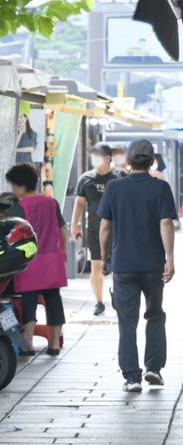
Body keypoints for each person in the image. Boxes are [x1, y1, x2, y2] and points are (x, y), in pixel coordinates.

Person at [98, 139, 177, 393]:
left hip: (124, 265)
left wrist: (104, 256)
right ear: (152, 160)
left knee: (127, 321)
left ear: (128, 161)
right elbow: (166, 224)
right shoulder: (161, 188)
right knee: (155, 315)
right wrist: (170, 258)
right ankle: (153, 368)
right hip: (153, 266)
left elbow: (105, 226)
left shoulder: (114, 187)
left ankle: (132, 377)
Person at [5, 164, 67, 356]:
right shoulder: (52, 202)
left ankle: (29, 343)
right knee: (53, 299)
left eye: (14, 185)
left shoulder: (19, 207)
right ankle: (54, 343)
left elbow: (6, 232)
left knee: (29, 299)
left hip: (30, 261)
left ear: (21, 185)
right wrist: (63, 250)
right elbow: (62, 229)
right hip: (52, 259)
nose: (13, 190)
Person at [71, 144, 127, 316]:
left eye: (98, 156)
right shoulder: (86, 178)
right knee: (96, 266)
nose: (94, 160)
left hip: (118, 230)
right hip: (95, 230)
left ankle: (118, 297)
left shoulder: (120, 176)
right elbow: (79, 203)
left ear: (108, 158)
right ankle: (99, 302)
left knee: (119, 267)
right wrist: (74, 224)